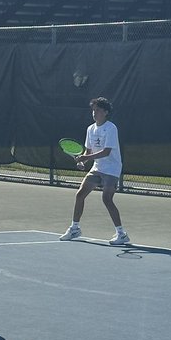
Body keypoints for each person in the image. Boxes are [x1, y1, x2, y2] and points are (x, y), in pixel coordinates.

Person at [59, 96, 130, 245]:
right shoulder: (90, 129)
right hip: (97, 168)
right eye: (93, 110)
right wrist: (83, 160)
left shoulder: (111, 128)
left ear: (105, 112)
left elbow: (106, 152)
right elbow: (88, 150)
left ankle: (121, 234)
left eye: (97, 110)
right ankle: (75, 228)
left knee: (107, 199)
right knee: (80, 195)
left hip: (111, 168)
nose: (94, 113)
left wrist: (86, 157)